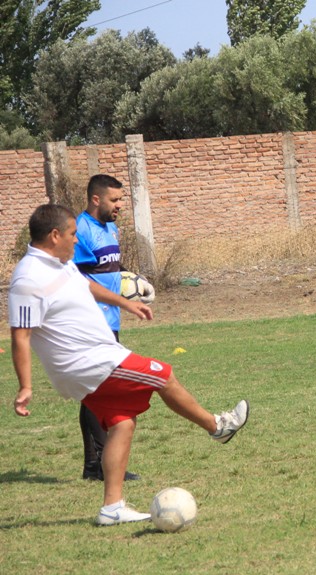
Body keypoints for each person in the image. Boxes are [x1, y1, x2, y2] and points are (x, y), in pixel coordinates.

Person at [9, 204, 249, 525]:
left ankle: (112, 507)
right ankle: (217, 427)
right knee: (163, 375)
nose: (76, 240)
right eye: (72, 234)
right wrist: (25, 386)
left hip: (97, 358)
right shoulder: (28, 278)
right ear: (54, 235)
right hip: (88, 363)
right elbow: (20, 336)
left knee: (122, 422)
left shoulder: (61, 264)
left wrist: (125, 303)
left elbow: (86, 286)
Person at [74, 174, 151, 482]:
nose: (120, 205)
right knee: (99, 389)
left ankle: (93, 465)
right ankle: (104, 465)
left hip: (110, 319)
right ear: (96, 199)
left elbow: (110, 268)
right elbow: (77, 278)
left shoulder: (110, 228)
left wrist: (134, 281)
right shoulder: (80, 229)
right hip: (89, 321)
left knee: (93, 390)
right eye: (114, 200)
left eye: (120, 199)